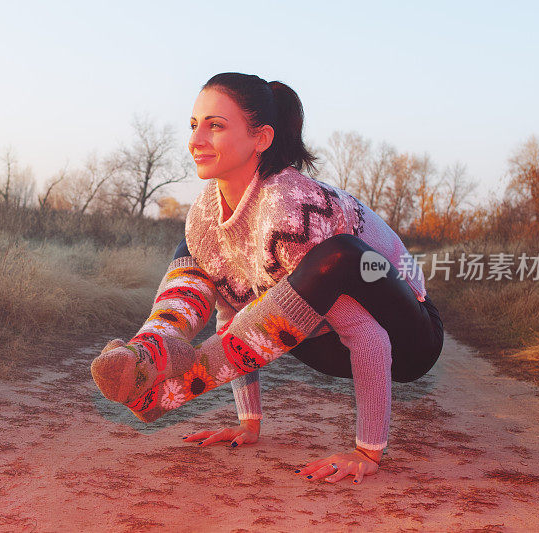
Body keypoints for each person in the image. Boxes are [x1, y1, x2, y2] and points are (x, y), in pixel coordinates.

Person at [91, 72, 444, 485]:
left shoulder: (290, 207)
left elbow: (371, 337)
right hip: (320, 338)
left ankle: (179, 385)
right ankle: (152, 348)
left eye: (215, 125)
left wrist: (366, 452)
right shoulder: (207, 211)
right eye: (194, 124)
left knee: (338, 257)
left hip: (407, 334)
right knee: (196, 247)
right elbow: (233, 307)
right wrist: (249, 422)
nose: (196, 139)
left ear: (261, 139)